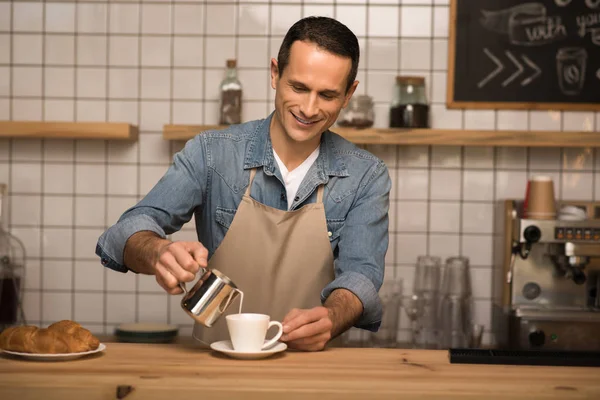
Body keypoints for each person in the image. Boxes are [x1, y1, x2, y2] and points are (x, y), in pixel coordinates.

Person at [96, 16, 391, 352]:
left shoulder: (367, 175)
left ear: (349, 94)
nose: (309, 108)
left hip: (312, 367)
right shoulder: (211, 154)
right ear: (274, 73)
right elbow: (126, 231)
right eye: (298, 87)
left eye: (326, 95)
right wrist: (157, 251)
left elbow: (362, 273)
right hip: (216, 365)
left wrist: (334, 315)